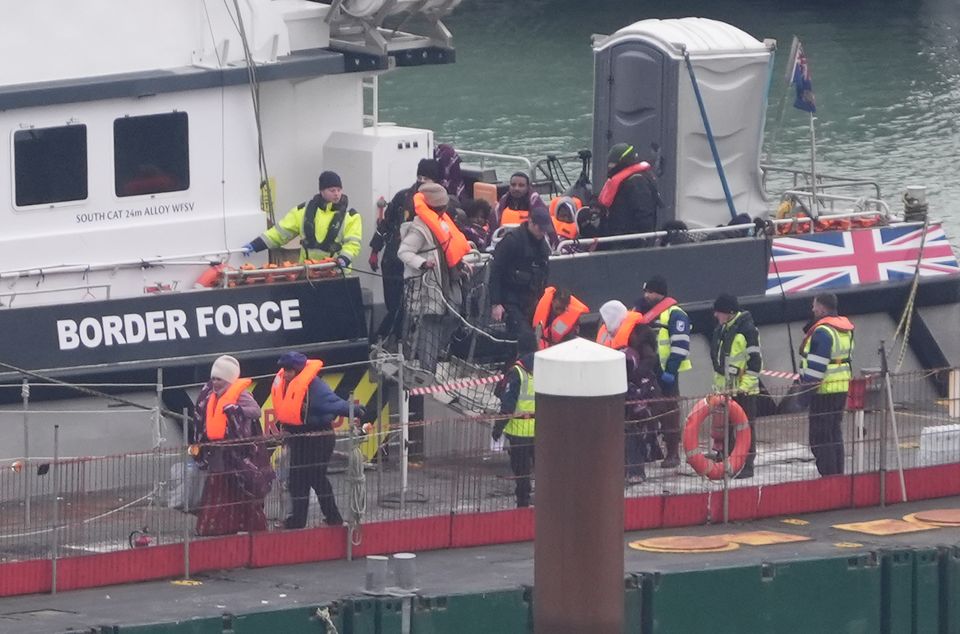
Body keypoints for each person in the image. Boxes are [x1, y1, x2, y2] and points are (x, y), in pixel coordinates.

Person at [272, 351, 364, 529]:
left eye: (290, 370)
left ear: (298, 370)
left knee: (316, 477)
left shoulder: (315, 387)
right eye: (284, 369)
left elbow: (335, 404)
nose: (286, 373)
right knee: (297, 478)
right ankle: (297, 521)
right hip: (298, 438)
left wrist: (357, 410)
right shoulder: (285, 384)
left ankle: (334, 518)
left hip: (319, 437)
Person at [397, 183, 473, 375]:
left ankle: (439, 353)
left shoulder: (442, 222)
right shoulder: (418, 229)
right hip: (427, 287)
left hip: (448, 280)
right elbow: (404, 252)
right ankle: (427, 370)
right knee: (430, 327)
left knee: (455, 315)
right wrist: (422, 263)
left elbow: (450, 251)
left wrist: (461, 264)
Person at [193, 355, 273, 536]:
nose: (214, 382)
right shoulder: (209, 396)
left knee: (240, 489)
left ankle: (249, 525)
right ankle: (217, 526)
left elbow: (256, 411)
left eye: (219, 379)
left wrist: (237, 410)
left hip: (237, 454)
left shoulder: (241, 395)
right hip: (217, 451)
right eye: (213, 378)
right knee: (219, 487)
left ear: (228, 379)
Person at [369, 159, 444, 345]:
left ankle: (392, 339)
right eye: (419, 176)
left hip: (419, 265)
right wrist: (375, 250)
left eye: (426, 178)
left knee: (409, 307)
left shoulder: (440, 203)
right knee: (394, 305)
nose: (421, 181)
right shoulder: (402, 197)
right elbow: (385, 225)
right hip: (393, 259)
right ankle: (387, 339)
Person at [242, 170, 362, 268]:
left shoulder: (351, 216)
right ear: (322, 191)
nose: (337, 194)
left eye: (339, 190)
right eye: (332, 190)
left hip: (338, 274)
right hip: (308, 274)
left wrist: (344, 258)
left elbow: (352, 244)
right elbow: (280, 232)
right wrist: (256, 245)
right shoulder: (303, 211)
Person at [634, 276, 691, 468]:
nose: (646, 296)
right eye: (645, 292)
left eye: (649, 292)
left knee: (669, 413)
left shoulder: (676, 315)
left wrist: (671, 371)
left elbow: (681, 346)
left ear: (660, 293)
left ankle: (673, 453)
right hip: (647, 371)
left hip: (666, 372)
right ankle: (651, 450)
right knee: (646, 411)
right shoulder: (640, 312)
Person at [799, 292, 855, 476]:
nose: (812, 309)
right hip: (841, 388)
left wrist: (804, 395)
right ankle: (838, 476)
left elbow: (816, 368)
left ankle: (829, 478)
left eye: (814, 305)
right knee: (834, 434)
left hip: (823, 391)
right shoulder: (844, 329)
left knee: (820, 438)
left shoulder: (823, 332)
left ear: (822, 308)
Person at [489, 205, 552, 354]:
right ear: (530, 222)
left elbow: (544, 274)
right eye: (539, 228)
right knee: (525, 337)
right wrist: (495, 303)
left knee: (537, 335)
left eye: (545, 230)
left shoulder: (543, 246)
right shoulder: (512, 241)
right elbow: (496, 271)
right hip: (511, 299)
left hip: (532, 299)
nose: (542, 233)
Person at [711, 294, 762, 479]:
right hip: (726, 390)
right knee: (727, 427)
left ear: (729, 313)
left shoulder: (747, 331)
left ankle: (746, 465)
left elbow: (755, 363)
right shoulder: (723, 330)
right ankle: (729, 461)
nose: (716, 315)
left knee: (745, 428)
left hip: (743, 391)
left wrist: (745, 387)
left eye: (719, 312)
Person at [492, 351, 536, 507]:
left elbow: (508, 405)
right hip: (539, 430)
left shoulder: (516, 373)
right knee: (543, 469)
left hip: (519, 432)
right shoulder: (543, 369)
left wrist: (498, 428)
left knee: (521, 471)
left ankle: (523, 502)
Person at [624, 323, 666, 484]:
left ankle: (637, 470)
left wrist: (634, 378)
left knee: (638, 430)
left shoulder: (639, 342)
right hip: (633, 396)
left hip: (642, 398)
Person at [597, 143, 660, 241]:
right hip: (616, 235)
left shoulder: (637, 182)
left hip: (630, 241)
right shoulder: (622, 180)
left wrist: (644, 240)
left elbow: (645, 215)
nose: (610, 167)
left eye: (612, 164)